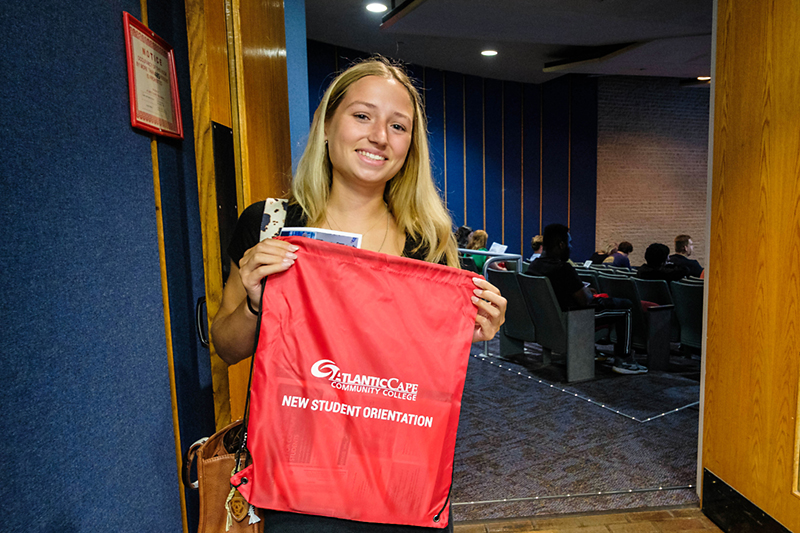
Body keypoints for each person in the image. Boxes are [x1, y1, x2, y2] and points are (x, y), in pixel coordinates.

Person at [211, 56, 507, 532]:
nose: (379, 136)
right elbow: (227, 348)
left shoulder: (429, 243)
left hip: (400, 478)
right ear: (328, 126)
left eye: (398, 126)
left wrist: (468, 331)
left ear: (410, 146)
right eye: (362, 115)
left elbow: (425, 379)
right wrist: (252, 302)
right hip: (298, 479)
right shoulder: (269, 225)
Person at [526, 224, 646, 375]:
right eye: (569, 243)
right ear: (561, 245)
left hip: (550, 320)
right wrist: (587, 292)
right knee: (626, 307)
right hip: (575, 318)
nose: (570, 246)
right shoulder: (563, 268)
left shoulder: (534, 266)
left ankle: (593, 350)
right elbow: (586, 301)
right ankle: (624, 360)